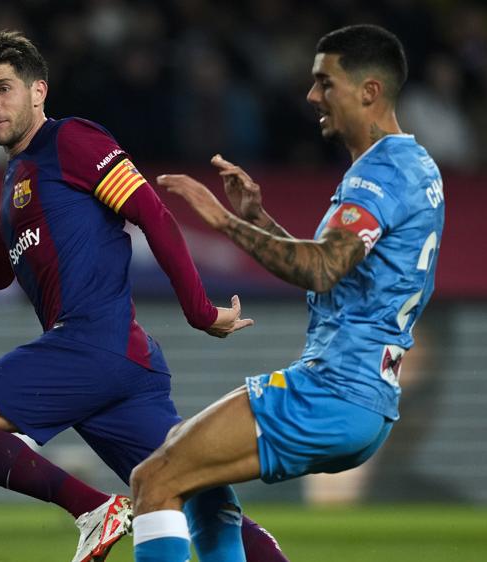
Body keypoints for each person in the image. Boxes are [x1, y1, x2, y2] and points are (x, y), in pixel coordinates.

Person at [0, 31, 286, 562]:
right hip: (121, 362)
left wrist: (200, 311)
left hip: (91, 343)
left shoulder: (71, 141)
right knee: (198, 497)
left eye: (3, 88)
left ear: (38, 90)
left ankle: (93, 510)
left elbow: (152, 212)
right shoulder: (19, 175)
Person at [133, 24, 445, 561]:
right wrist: (259, 219)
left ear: (368, 91)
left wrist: (222, 222)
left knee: (153, 480)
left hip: (334, 391)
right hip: (360, 395)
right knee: (196, 482)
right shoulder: (414, 166)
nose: (312, 96)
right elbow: (340, 270)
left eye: (325, 82)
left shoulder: (381, 174)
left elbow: (321, 268)